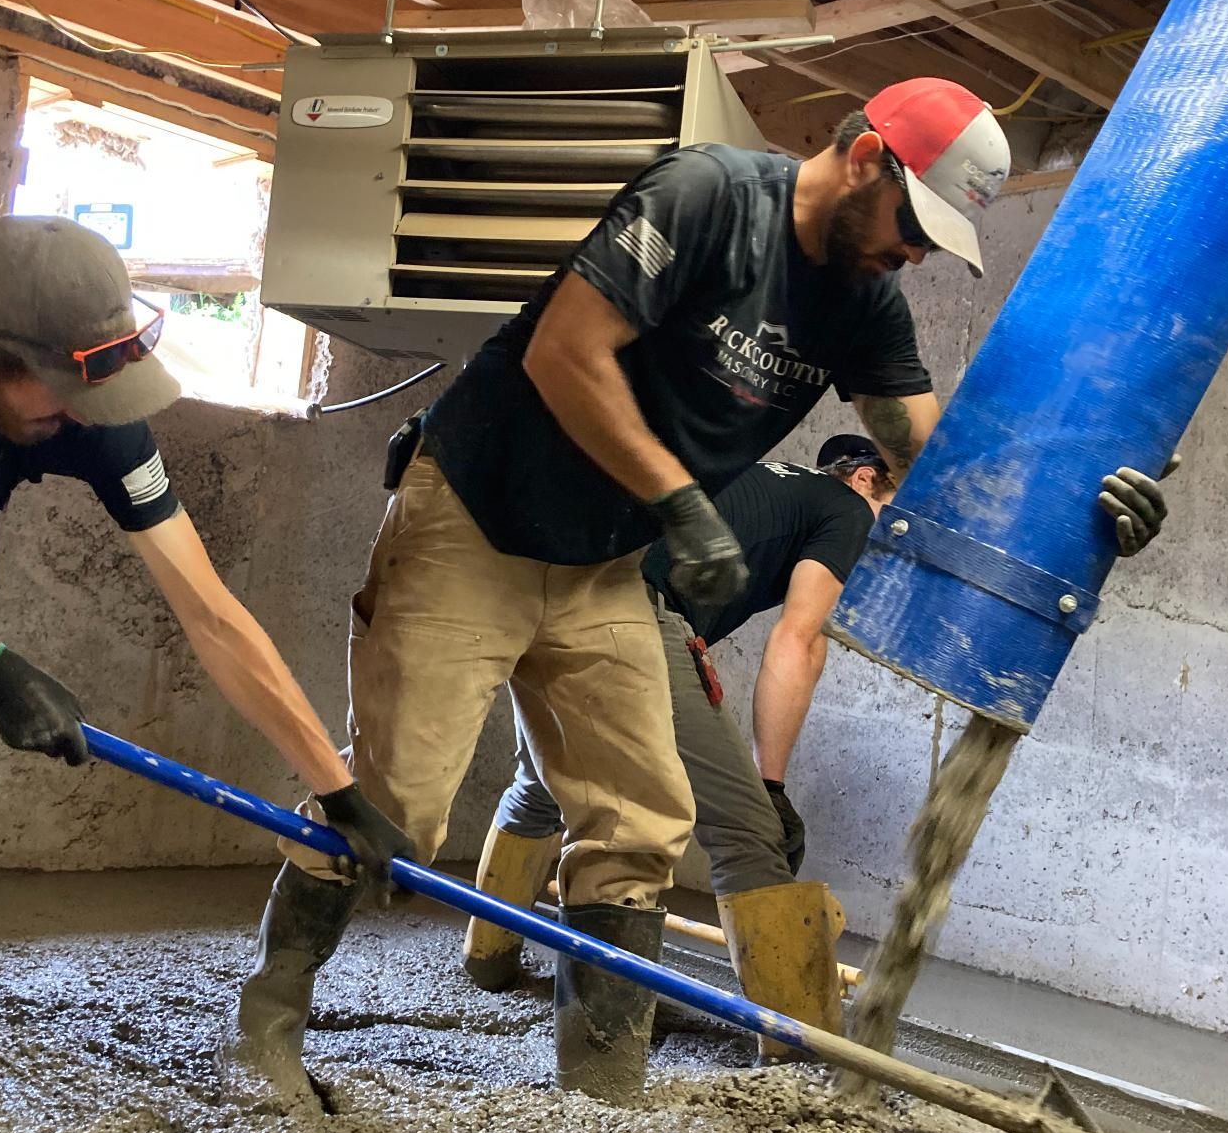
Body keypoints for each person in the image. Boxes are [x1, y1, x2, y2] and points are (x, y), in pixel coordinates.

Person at [235, 77, 1021, 1111]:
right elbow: (567, 350)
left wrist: (1068, 509)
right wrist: (682, 503)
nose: (913, 255)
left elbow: (923, 449)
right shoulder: (708, 198)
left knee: (644, 816)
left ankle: (601, 1086)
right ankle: (269, 1023)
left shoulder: (862, 300)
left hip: (606, 565)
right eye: (913, 226)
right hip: (477, 519)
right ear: (868, 159)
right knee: (397, 806)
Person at [0, 215, 406, 1133]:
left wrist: (337, 789)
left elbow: (211, 612)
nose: (81, 423)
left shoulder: (94, 408)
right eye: (56, 403)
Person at [463, 434, 1170, 1051]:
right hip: (632, 616)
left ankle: (487, 960)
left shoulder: (779, 489)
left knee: (543, 785)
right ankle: (799, 1044)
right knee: (745, 833)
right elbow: (796, 641)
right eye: (902, 512)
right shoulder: (844, 512)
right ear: (866, 480)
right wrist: (771, 785)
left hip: (556, 586)